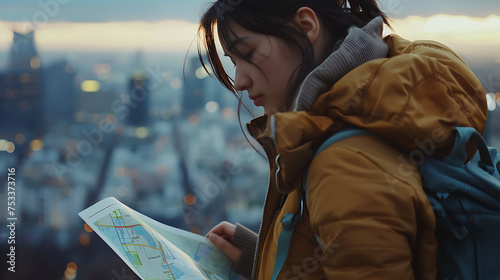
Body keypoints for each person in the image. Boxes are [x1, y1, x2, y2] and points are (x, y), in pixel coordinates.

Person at [197, 0, 488, 279]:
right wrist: (258, 256)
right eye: (234, 62)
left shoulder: (344, 162)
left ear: (307, 26)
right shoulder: (363, 120)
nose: (239, 81)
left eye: (247, 52)